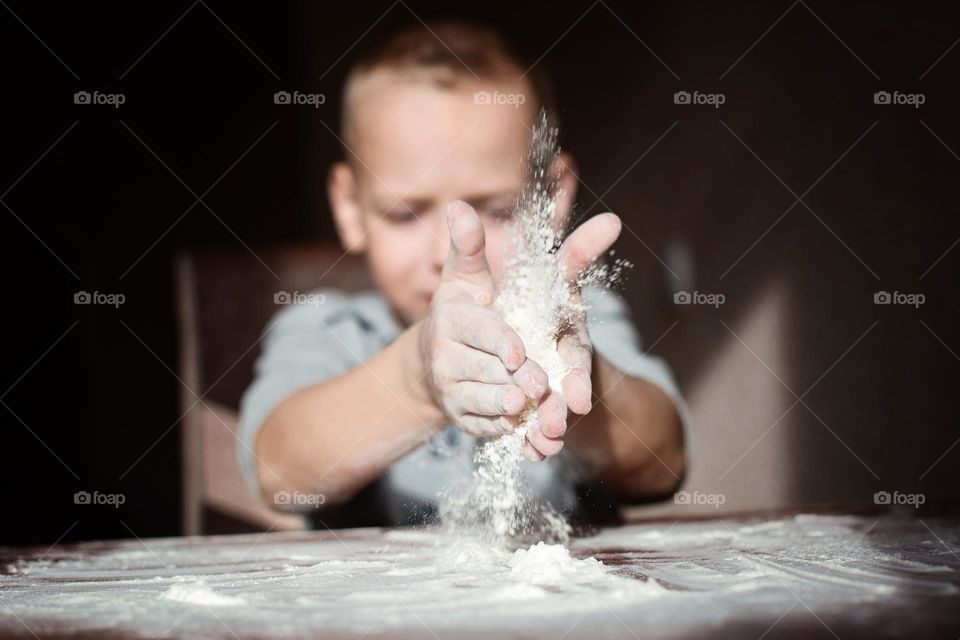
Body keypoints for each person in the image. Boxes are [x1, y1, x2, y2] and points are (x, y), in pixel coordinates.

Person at [239, 20, 688, 527]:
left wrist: (581, 388)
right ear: (349, 208)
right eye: (405, 214)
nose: (447, 251)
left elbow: (664, 465)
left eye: (496, 210)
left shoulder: (577, 316)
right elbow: (278, 472)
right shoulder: (331, 329)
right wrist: (419, 378)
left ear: (553, 197)